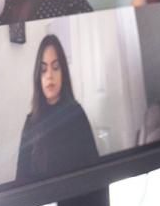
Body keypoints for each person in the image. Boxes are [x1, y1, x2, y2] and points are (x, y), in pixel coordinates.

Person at [15, 34, 99, 183]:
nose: (49, 76)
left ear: (63, 73)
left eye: (55, 67)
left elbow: (94, 172)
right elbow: (21, 181)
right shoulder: (31, 123)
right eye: (43, 70)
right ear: (38, 77)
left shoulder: (77, 114)